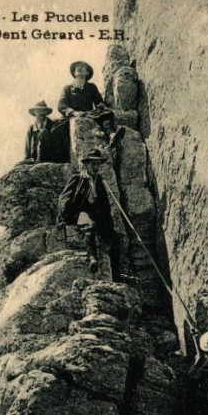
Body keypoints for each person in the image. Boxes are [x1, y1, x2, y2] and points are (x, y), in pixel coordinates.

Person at [57, 148, 121, 281]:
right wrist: (64, 215)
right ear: (86, 165)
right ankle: (92, 257)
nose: (96, 167)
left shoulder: (100, 182)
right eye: (93, 164)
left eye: (98, 164)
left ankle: (116, 275)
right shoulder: (78, 179)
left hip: (97, 216)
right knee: (88, 224)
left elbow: (105, 207)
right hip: (77, 212)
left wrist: (109, 226)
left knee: (115, 239)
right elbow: (64, 198)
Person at [58, 61, 125, 149]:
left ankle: (111, 135)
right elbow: (61, 105)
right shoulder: (67, 88)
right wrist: (74, 113)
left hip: (88, 114)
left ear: (87, 73)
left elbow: (99, 103)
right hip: (72, 116)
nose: (80, 68)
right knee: (56, 131)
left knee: (106, 113)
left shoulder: (91, 87)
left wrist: (101, 106)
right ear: (74, 72)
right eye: (77, 67)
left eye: (83, 67)